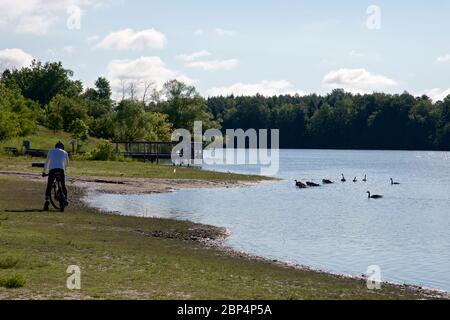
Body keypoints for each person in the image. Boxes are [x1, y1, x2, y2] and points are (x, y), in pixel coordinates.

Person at [43, 141, 69, 211]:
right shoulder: (64, 152)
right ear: (62, 147)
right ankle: (66, 198)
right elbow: (67, 163)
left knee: (49, 185)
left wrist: (44, 172)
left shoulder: (50, 151)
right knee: (63, 185)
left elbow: (46, 162)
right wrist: (65, 170)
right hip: (61, 170)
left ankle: (47, 200)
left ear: (55, 146)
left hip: (52, 170)